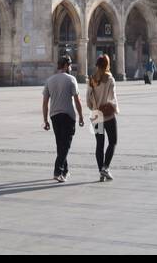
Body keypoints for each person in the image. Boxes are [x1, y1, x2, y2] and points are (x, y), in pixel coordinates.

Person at [42, 54, 84, 182]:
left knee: (60, 144)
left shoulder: (49, 80)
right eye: (70, 64)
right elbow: (77, 100)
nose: (70, 67)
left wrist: (45, 120)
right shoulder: (71, 79)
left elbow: (44, 102)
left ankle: (65, 171)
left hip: (54, 115)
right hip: (68, 115)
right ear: (66, 66)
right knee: (65, 145)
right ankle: (57, 171)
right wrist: (81, 116)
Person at [87, 53, 119, 182]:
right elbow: (113, 97)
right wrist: (114, 108)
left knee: (99, 144)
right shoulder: (109, 78)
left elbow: (88, 100)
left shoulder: (92, 79)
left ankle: (101, 171)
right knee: (113, 141)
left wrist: (94, 108)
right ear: (107, 65)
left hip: (95, 115)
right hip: (108, 115)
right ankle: (105, 168)